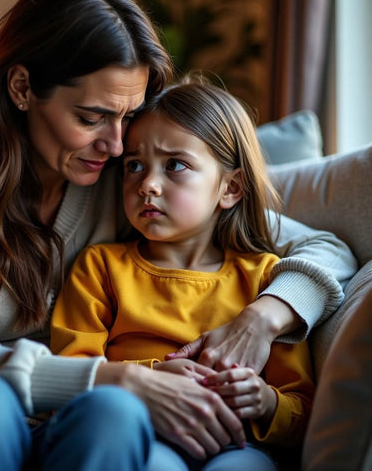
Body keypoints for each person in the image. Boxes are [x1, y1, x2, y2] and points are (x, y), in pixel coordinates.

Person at [0, 0, 354, 470]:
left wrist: (262, 318)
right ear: (22, 88)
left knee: (113, 417)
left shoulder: (126, 179)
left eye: (127, 117)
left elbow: (327, 248)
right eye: (91, 117)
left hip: (53, 421)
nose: (114, 144)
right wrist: (114, 379)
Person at [51, 78, 316, 470]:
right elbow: (73, 374)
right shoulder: (101, 267)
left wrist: (264, 400)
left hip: (238, 446)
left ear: (231, 187)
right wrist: (154, 377)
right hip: (142, 434)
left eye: (175, 165)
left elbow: (303, 411)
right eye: (135, 166)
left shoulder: (265, 280)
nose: (148, 185)